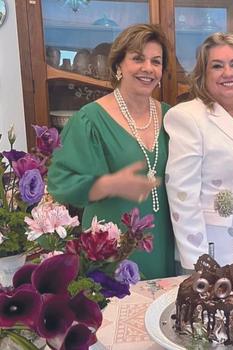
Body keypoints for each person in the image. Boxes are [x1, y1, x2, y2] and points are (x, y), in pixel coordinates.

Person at [48, 24, 175, 279]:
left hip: (164, 240)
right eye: (138, 59)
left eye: (156, 61)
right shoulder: (90, 120)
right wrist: (110, 184)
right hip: (111, 245)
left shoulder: (171, 116)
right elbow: (60, 182)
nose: (148, 68)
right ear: (118, 66)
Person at [164, 32, 233, 274]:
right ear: (203, 76)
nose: (228, 73)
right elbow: (182, 197)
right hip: (213, 254)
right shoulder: (188, 116)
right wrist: (199, 264)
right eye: (217, 66)